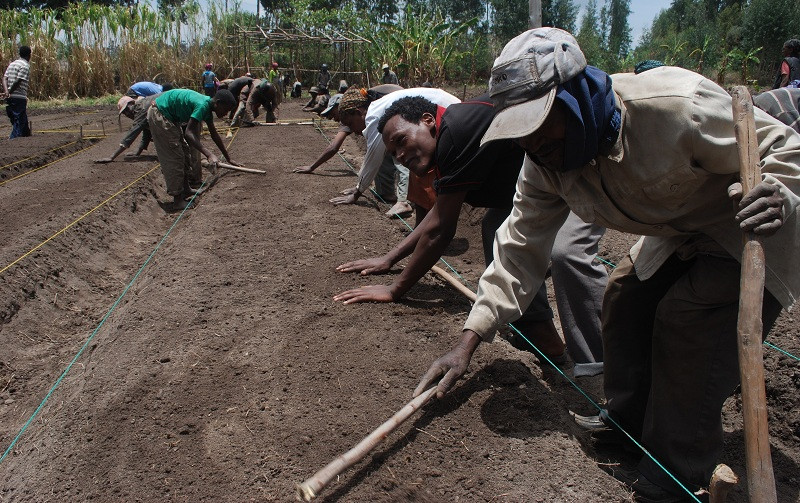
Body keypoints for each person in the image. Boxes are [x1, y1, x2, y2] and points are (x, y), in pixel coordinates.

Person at [413, 27, 800, 502]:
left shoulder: (679, 106)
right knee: (623, 299)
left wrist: (779, 191)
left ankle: (676, 471)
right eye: (520, 133)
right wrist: (468, 341)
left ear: (574, 99)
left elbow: (784, 148)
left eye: (539, 125)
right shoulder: (546, 162)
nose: (532, 144)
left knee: (688, 323)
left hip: (746, 224)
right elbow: (518, 246)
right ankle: (630, 430)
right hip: (677, 228)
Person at [334, 94, 607, 376]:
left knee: (566, 252)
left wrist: (395, 289)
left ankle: (599, 364)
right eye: (393, 153)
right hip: (532, 188)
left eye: (401, 141)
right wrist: (389, 259)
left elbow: (441, 229)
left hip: (577, 171)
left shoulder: (457, 131)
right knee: (495, 230)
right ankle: (540, 335)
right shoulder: (445, 139)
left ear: (428, 121)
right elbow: (439, 212)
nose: (400, 156)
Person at [330, 86, 458, 218]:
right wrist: (359, 187)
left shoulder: (373, 117)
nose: (353, 130)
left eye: (351, 124)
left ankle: (424, 215)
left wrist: (357, 192)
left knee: (421, 170)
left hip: (450, 114)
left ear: (358, 112)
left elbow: (373, 158)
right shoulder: (376, 109)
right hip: (445, 111)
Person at [147, 88, 239, 210]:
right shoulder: (202, 105)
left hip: (170, 117)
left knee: (185, 153)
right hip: (160, 114)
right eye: (226, 110)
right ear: (218, 102)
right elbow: (189, 134)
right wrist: (209, 154)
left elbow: (214, 134)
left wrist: (228, 158)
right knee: (175, 157)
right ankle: (177, 200)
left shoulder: (207, 107)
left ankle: (186, 189)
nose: (226, 114)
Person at [95, 93, 162, 163]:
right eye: (124, 113)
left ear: (132, 103)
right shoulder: (142, 107)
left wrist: (111, 157)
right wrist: (138, 152)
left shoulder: (141, 108)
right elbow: (146, 130)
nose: (127, 114)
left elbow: (132, 133)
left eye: (127, 109)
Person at [293, 94, 348, 173]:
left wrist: (311, 167)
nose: (334, 119)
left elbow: (333, 148)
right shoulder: (347, 120)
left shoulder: (350, 118)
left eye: (333, 113)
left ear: (340, 107)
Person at [2, 45, 31, 138]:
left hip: (11, 97)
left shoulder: (12, 64)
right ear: (29, 55)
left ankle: (26, 134)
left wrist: (7, 91)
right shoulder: (25, 65)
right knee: (18, 120)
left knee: (21, 118)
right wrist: (9, 91)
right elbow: (18, 80)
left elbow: (4, 78)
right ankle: (14, 139)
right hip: (19, 97)